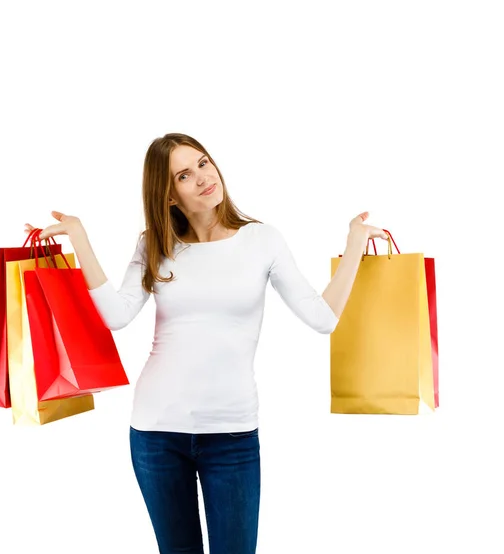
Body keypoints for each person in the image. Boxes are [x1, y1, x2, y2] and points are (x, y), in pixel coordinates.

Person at [24, 132, 388, 554]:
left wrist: (354, 245)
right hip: (156, 432)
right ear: (169, 195)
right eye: (184, 174)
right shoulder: (154, 245)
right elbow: (117, 315)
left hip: (230, 434)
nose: (202, 177)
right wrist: (79, 238)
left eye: (202, 162)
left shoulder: (262, 239)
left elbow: (322, 319)